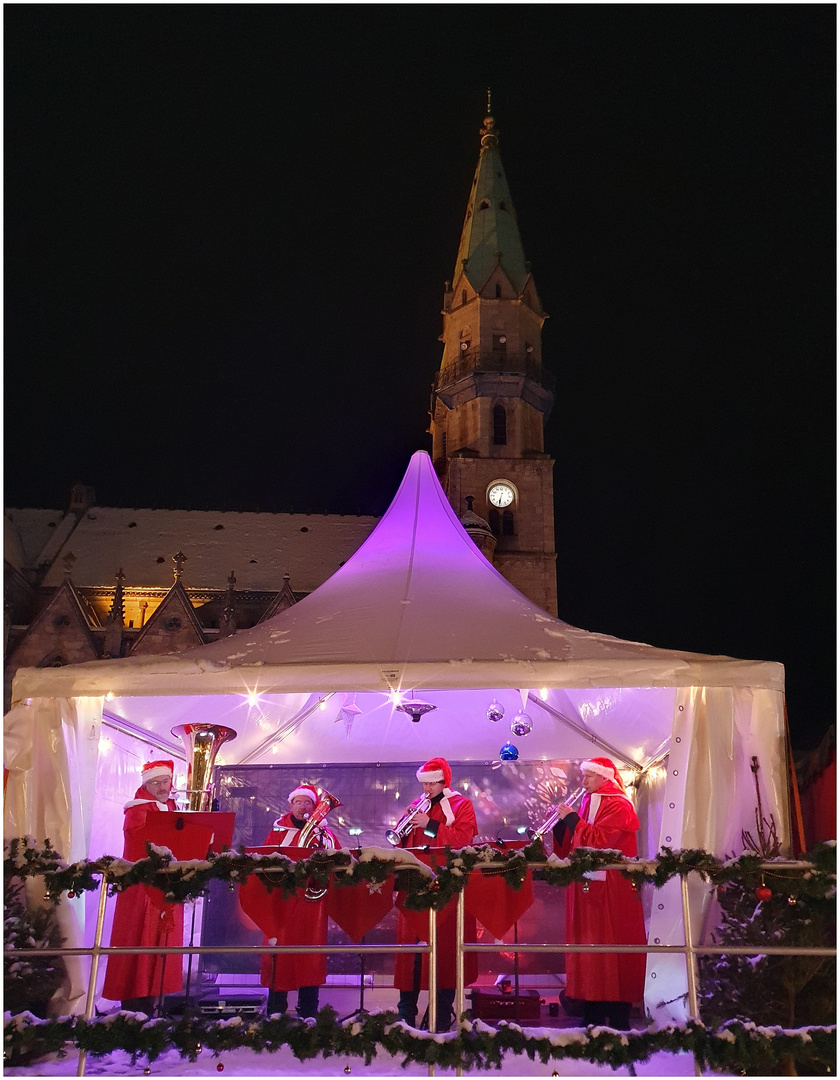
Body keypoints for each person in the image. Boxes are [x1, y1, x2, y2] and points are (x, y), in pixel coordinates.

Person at [552, 757, 647, 1029]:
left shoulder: (618, 804)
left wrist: (573, 820)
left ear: (605, 778)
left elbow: (601, 843)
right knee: (590, 951)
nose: (583, 782)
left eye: (589, 777)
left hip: (610, 890)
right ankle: (591, 1012)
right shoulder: (589, 802)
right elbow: (574, 845)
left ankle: (616, 1018)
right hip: (588, 886)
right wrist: (563, 826)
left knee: (610, 948)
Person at [394, 757, 478, 1031]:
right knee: (411, 957)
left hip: (446, 887)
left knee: (445, 952)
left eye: (432, 782)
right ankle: (405, 1014)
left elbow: (463, 839)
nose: (427, 787)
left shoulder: (461, 805)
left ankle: (440, 1015)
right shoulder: (415, 806)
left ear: (444, 782)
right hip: (414, 884)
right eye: (425, 782)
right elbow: (403, 841)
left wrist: (429, 824)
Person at [102, 760, 184, 1014]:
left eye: (166, 781)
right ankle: (136, 1008)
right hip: (144, 891)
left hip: (165, 887)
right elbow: (145, 846)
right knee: (140, 943)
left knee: (161, 948)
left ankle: (155, 1004)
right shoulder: (137, 811)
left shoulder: (171, 807)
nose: (162, 787)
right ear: (145, 784)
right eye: (156, 782)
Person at [260, 783, 339, 1019]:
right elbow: (264, 858)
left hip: (310, 905)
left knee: (309, 957)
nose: (303, 807)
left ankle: (309, 1014)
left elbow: (337, 859)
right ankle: (276, 1013)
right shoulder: (277, 831)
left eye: (308, 803)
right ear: (290, 805)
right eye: (299, 802)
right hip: (281, 903)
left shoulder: (324, 832)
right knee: (279, 958)